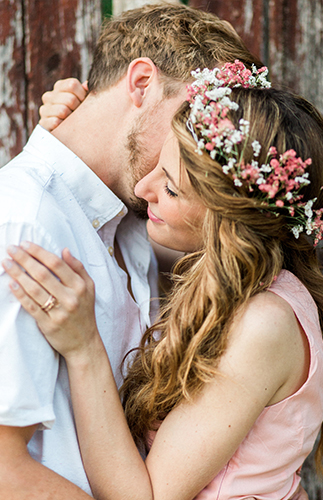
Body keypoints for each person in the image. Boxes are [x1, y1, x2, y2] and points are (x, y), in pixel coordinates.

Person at [4, 62, 323, 499]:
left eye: (171, 188)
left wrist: (84, 348)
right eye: (159, 164)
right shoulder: (230, 281)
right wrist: (70, 143)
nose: (145, 187)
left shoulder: (263, 324)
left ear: (225, 220)